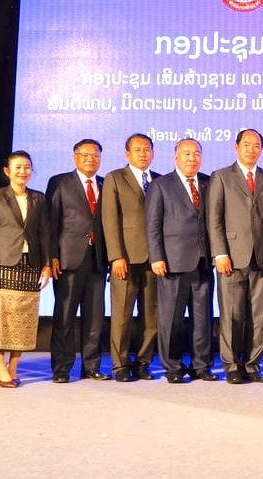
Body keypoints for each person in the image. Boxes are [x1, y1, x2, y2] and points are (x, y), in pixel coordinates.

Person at [205, 129, 263, 384]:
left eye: (256, 145)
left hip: (262, 256)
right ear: (236, 148)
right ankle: (232, 364)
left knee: (258, 315)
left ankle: (253, 363)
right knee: (232, 314)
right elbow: (213, 219)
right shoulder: (221, 177)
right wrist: (219, 252)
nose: (251, 149)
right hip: (231, 257)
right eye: (246, 144)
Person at [0, 151, 54, 388]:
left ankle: (13, 366)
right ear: (7, 171)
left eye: (27, 167)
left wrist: (47, 264)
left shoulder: (39, 198)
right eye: (18, 167)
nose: (23, 171)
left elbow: (44, 234)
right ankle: (0, 367)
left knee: (23, 320)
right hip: (2, 265)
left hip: (30, 265)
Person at [146, 139, 215, 384]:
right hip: (172, 262)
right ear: (176, 157)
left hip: (204, 261)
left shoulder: (209, 183)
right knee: (171, 318)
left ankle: (201, 365)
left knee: (203, 317)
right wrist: (156, 257)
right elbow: (152, 226)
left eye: (196, 153)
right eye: (186, 153)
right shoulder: (161, 185)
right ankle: (172, 366)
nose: (191, 158)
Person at [46, 139, 110, 383]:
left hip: (97, 259)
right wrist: (51, 255)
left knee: (95, 317)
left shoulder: (105, 183)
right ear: (75, 157)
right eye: (85, 155)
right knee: (65, 316)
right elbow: (51, 222)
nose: (90, 159)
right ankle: (61, 369)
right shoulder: (60, 182)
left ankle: (91, 366)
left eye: (95, 155)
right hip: (67, 258)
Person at [100, 133, 160, 382]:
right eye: (138, 150)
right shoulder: (115, 178)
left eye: (147, 149)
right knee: (122, 316)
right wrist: (116, 256)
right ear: (127, 154)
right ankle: (120, 364)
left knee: (151, 316)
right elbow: (109, 219)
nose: (143, 153)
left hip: (154, 258)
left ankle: (144, 362)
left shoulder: (158, 180)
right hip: (125, 258)